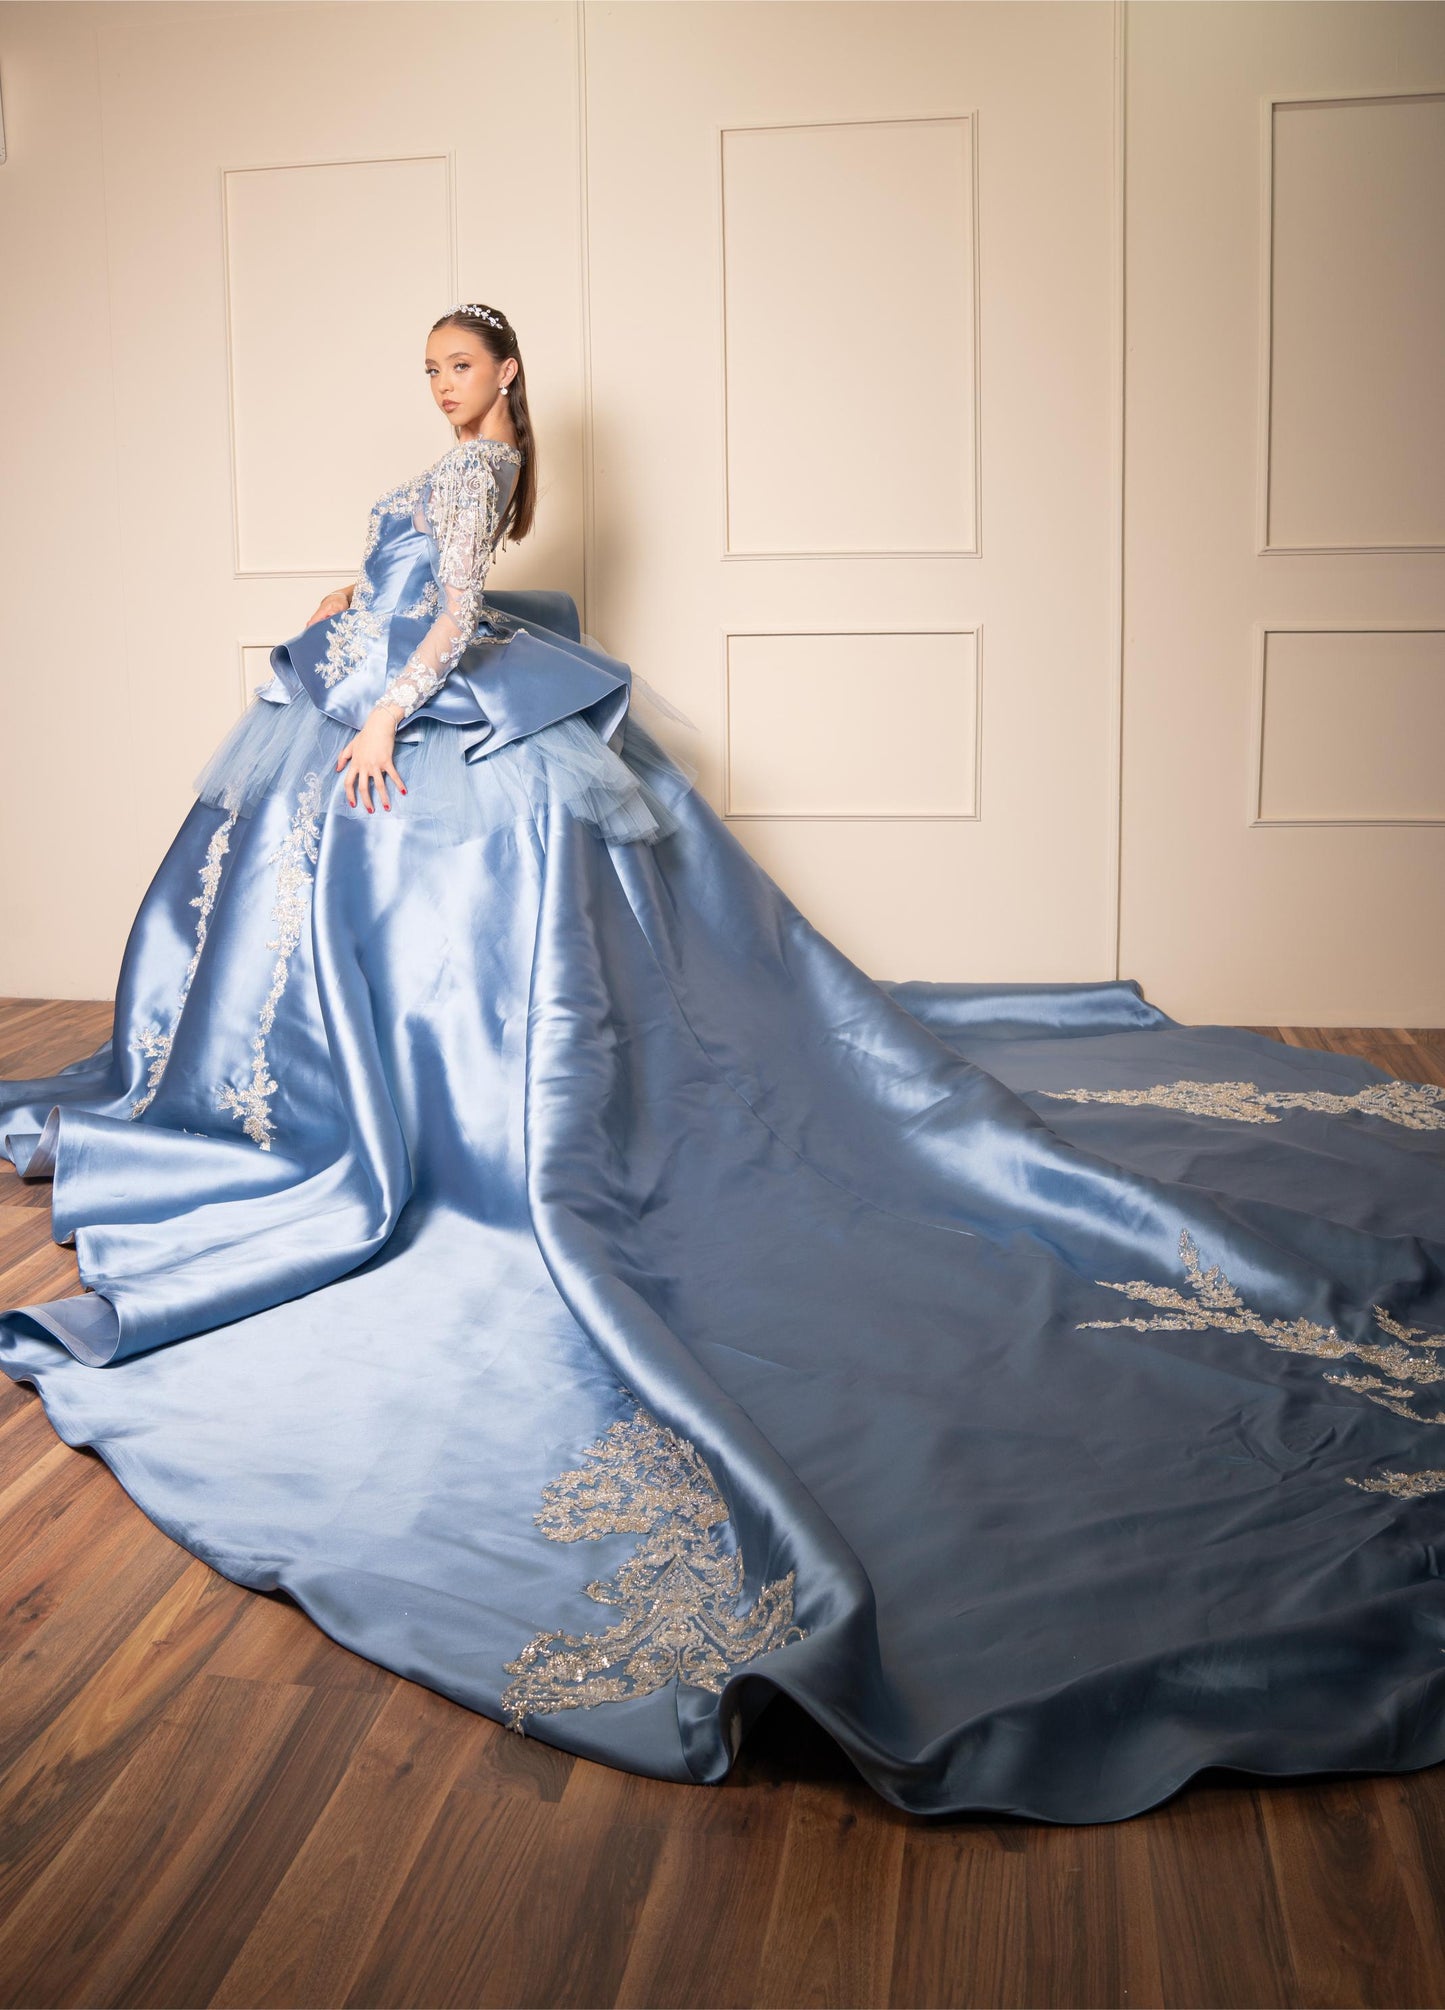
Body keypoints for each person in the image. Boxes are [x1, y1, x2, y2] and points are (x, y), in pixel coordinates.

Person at [3, 303, 1445, 1825]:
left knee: (426, 883)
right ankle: (327, 1106)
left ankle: (432, 1127)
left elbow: (452, 611)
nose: (439, 387)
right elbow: (403, 581)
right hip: (374, 664)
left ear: (506, 375)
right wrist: (342, 607)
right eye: (426, 368)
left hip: (415, 690)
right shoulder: (453, 463)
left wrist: (385, 713)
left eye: (459, 367)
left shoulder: (484, 470)